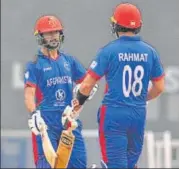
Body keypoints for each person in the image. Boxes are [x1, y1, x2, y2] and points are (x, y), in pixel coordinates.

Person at [69, 3, 165, 168]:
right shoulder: (150, 52)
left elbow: (86, 86)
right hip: (138, 114)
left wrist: (77, 104)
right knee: (130, 164)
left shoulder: (109, 51)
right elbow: (159, 87)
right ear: (138, 26)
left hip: (114, 114)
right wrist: (142, 98)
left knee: (113, 164)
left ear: (116, 25)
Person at [23, 15, 97, 168]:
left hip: (68, 120)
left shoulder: (69, 61)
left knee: (78, 165)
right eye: (49, 33)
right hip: (46, 122)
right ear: (40, 36)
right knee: (47, 165)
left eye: (56, 32)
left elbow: (89, 83)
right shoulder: (35, 65)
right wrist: (34, 114)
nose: (53, 36)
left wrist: (84, 93)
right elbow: (29, 94)